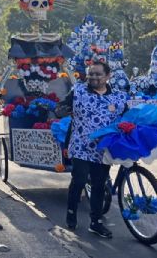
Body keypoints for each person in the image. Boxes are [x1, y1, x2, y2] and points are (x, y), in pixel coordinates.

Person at [55, 61, 127, 238]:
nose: (93, 77)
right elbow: (61, 107)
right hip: (81, 145)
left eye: (98, 74)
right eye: (91, 74)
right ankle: (71, 212)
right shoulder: (79, 91)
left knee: (99, 185)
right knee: (79, 180)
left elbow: (127, 115)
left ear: (108, 76)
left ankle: (96, 222)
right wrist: (61, 110)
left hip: (103, 148)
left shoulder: (118, 96)